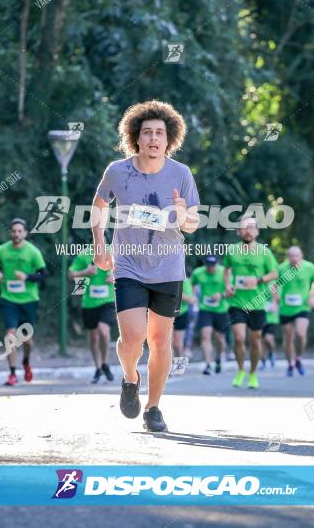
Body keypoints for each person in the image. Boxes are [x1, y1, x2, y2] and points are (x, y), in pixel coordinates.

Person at [91, 100, 200, 432]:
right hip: (129, 265)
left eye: (160, 134)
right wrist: (99, 244)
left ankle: (153, 408)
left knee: (161, 341)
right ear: (135, 137)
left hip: (168, 268)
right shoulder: (117, 171)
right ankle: (129, 377)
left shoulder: (180, 174)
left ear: (169, 140)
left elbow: (192, 224)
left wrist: (183, 215)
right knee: (133, 337)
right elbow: (98, 206)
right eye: (148, 132)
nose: (154, 139)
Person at [223, 216, 278, 389]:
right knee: (239, 338)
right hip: (237, 302)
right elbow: (226, 270)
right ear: (239, 231)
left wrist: (259, 280)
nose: (248, 231)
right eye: (244, 227)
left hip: (258, 303)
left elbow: (275, 273)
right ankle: (240, 370)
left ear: (257, 231)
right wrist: (228, 285)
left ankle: (253, 373)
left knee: (256, 340)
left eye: (251, 227)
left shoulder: (264, 252)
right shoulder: (231, 250)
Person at [0, 218, 48, 386]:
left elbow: (44, 275)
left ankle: (26, 361)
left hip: (28, 300)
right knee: (10, 335)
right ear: (10, 233)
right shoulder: (2, 250)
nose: (16, 234)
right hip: (8, 298)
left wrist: (28, 277)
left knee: (27, 340)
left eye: (19, 231)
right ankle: (12, 373)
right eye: (13, 231)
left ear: (25, 233)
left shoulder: (33, 252)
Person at [68, 245, 116, 383]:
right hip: (89, 302)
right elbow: (71, 274)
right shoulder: (84, 254)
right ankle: (98, 367)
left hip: (108, 300)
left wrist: (115, 275)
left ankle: (105, 363)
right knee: (93, 338)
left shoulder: (113, 251)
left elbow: (129, 269)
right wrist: (85, 272)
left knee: (103, 331)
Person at [276, 246, 314, 377]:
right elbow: (276, 285)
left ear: (301, 256)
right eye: (291, 256)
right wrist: (276, 297)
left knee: (300, 334)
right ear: (287, 257)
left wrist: (312, 295)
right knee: (288, 338)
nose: (294, 258)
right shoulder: (281, 268)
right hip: (286, 308)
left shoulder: (309, 267)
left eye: (297, 255)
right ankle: (290, 364)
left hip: (302, 307)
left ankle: (299, 358)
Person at [190, 255, 231, 375]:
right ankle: (208, 364)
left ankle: (218, 358)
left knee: (219, 339)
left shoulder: (224, 272)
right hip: (205, 309)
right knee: (205, 336)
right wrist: (194, 296)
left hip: (221, 310)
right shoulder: (198, 273)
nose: (210, 268)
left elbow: (232, 289)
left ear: (217, 264)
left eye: (213, 266)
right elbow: (192, 283)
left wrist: (221, 295)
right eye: (208, 266)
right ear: (205, 264)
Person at [172, 273, 197, 359]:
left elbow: (191, 300)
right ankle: (168, 370)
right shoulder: (162, 279)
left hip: (181, 314)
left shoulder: (185, 281)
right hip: (165, 314)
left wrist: (174, 292)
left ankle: (180, 367)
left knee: (177, 344)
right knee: (166, 343)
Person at [260, 297, 279, 370]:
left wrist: (275, 303)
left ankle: (271, 352)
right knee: (260, 341)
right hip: (259, 317)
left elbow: (279, 297)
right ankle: (263, 361)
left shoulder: (274, 286)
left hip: (271, 319)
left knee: (268, 339)